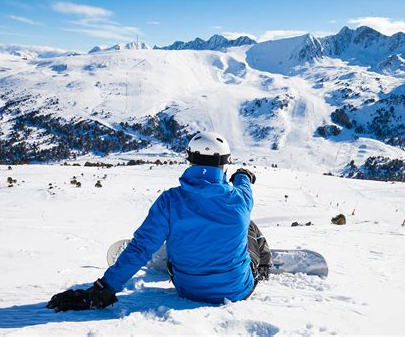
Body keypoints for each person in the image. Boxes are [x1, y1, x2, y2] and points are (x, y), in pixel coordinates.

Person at [47, 132, 272, 312]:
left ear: (190, 159)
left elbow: (141, 247)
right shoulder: (240, 199)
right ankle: (263, 264)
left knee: (169, 230)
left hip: (187, 288)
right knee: (247, 225)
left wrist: (104, 289)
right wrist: (243, 174)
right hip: (236, 290)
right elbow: (244, 183)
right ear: (224, 163)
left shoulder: (170, 200)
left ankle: (184, 252)